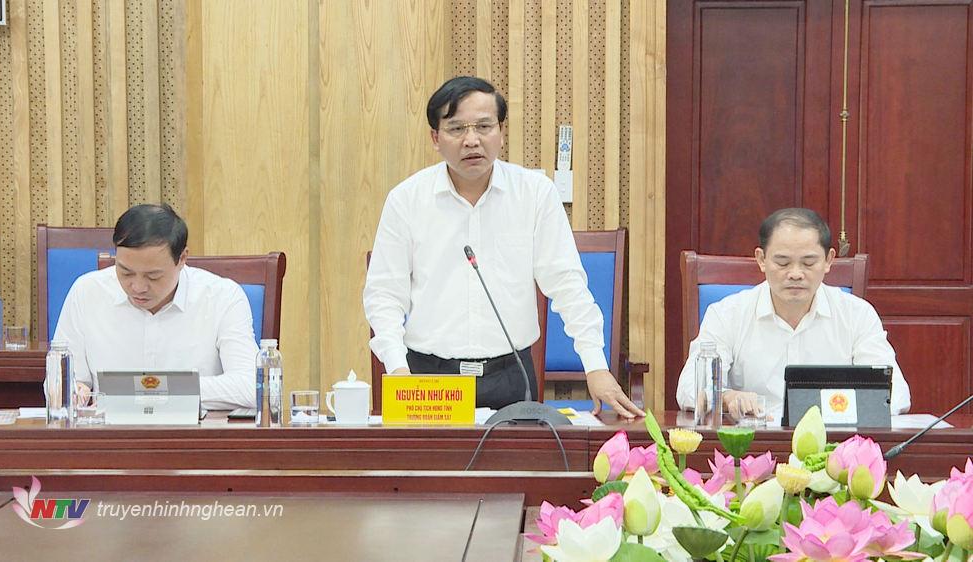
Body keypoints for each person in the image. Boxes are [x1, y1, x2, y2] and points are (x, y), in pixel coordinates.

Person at [363, 76, 642, 418]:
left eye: (483, 126)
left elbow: (568, 286)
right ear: (435, 138)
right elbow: (384, 295)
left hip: (511, 376)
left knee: (516, 470)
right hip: (429, 380)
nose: (471, 140)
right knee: (434, 473)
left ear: (501, 131)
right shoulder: (407, 200)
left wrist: (595, 367)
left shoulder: (535, 194)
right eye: (456, 129)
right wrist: (398, 369)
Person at [676, 207, 911, 417]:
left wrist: (834, 408)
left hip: (831, 446)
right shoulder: (727, 314)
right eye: (782, 262)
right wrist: (726, 398)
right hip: (753, 449)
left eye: (808, 263)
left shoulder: (857, 315)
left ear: (829, 260)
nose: (796, 273)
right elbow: (688, 389)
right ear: (761, 259)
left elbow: (895, 395)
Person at [53, 203, 258, 410]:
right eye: (125, 272)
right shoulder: (87, 292)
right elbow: (61, 382)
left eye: (153, 276)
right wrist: (74, 390)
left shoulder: (222, 297)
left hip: (194, 437)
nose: (138, 287)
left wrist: (150, 392)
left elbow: (251, 386)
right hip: (112, 437)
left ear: (182, 259)